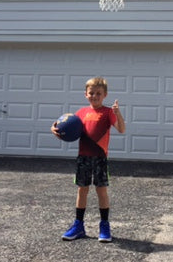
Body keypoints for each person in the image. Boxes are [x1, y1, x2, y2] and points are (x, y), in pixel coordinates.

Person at [51, 77, 125, 243]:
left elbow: (121, 129)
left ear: (104, 95)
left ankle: (104, 226)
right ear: (86, 94)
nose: (94, 96)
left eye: (98, 93)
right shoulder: (81, 113)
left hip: (100, 158)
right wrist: (54, 128)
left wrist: (117, 113)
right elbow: (63, 126)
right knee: (82, 190)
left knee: (101, 191)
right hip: (83, 158)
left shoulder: (107, 113)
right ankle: (78, 225)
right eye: (91, 93)